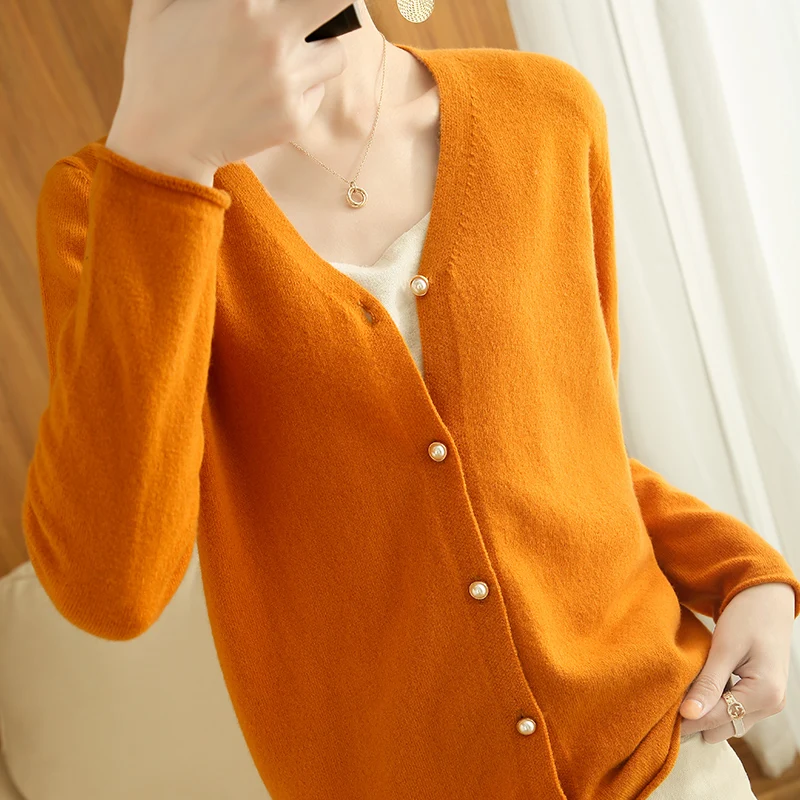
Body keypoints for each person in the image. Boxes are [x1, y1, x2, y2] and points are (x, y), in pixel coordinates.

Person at [22, 0, 800, 798]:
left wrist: (743, 570)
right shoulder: (112, 205)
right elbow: (109, 590)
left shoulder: (547, 114)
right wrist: (166, 156)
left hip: (665, 763)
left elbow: (564, 453)